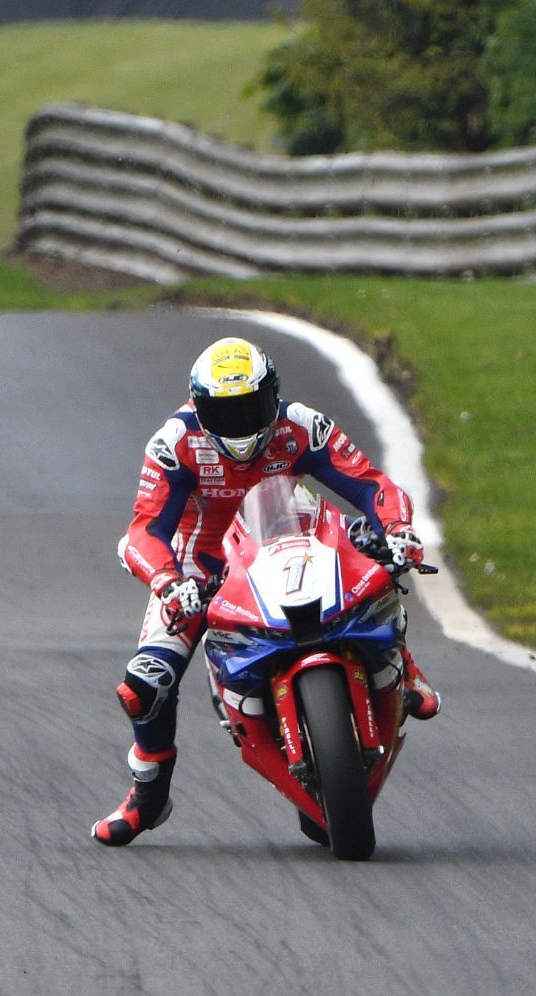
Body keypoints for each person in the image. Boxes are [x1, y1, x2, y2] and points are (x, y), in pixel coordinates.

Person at [93, 336, 440, 846]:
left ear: (272, 397)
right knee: (142, 686)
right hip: (202, 566)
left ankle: (403, 664)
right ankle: (148, 796)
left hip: (292, 534)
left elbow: (372, 485)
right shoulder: (174, 443)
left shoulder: (302, 424)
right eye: (224, 413)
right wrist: (168, 581)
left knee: (379, 558)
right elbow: (144, 532)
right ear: (198, 405)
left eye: (251, 408)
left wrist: (399, 528)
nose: (241, 425)